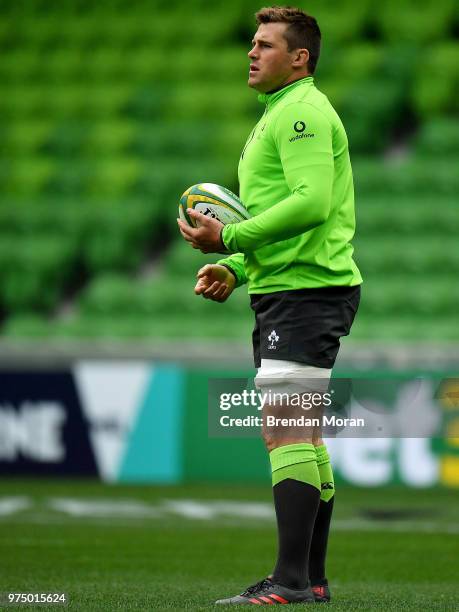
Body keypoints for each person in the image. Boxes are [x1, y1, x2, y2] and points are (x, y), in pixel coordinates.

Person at [177, 5, 362, 606]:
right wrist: (234, 268)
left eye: (264, 44)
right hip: (288, 287)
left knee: (286, 431)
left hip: (308, 291)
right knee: (300, 434)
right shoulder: (278, 114)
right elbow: (281, 217)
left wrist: (230, 240)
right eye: (251, 44)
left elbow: (312, 204)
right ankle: (309, 578)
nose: (251, 53)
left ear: (299, 57)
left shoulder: (302, 112)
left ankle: (289, 581)